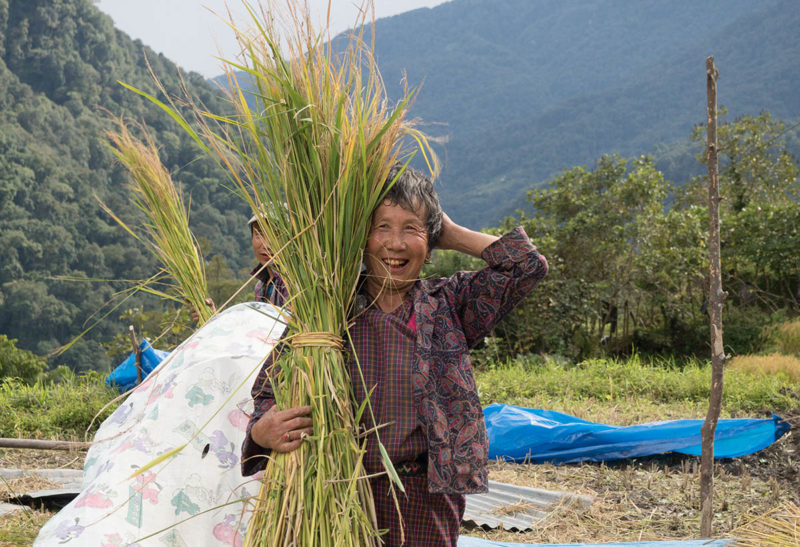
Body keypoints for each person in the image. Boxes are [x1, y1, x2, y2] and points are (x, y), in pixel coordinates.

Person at [241, 165, 548, 545]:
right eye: (381, 226)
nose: (395, 243)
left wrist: (448, 233)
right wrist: (260, 431)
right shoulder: (326, 312)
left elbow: (526, 266)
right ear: (358, 236)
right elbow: (268, 389)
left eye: (411, 229)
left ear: (430, 241)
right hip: (336, 488)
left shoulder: (449, 305)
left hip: (425, 497)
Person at [190, 213, 286, 322]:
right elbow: (258, 332)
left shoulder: (291, 284)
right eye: (259, 234)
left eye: (275, 235)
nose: (266, 245)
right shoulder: (260, 287)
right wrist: (211, 318)